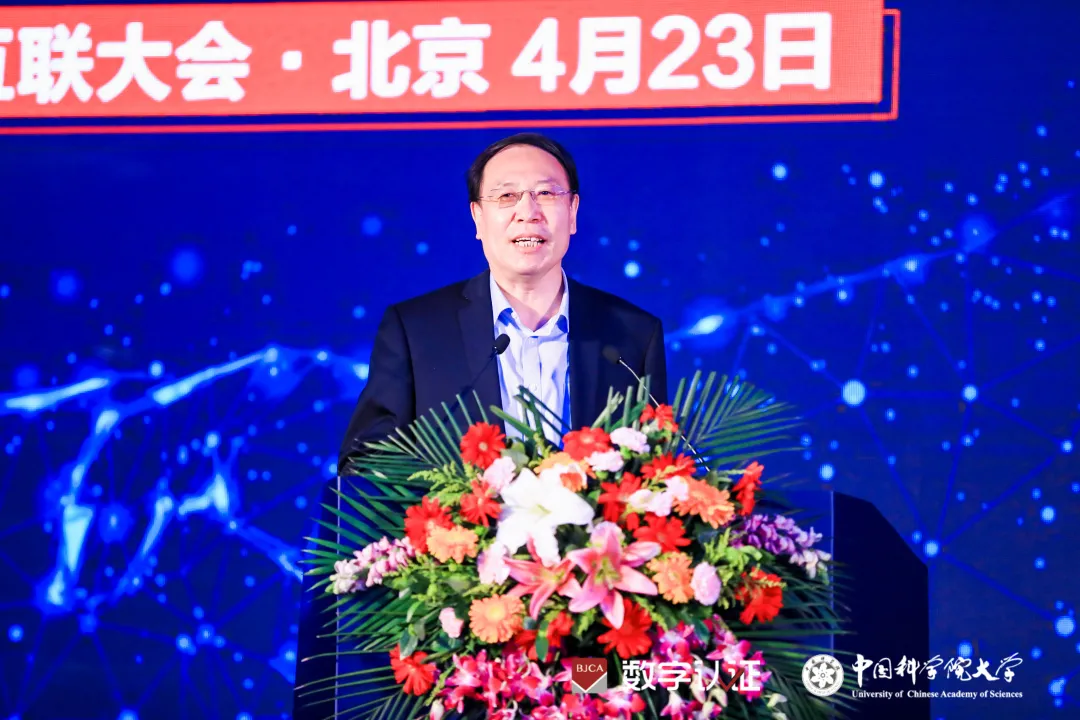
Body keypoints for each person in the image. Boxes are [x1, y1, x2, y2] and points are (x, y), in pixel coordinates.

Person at [293, 132, 667, 718]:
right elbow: (366, 464)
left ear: (573, 213)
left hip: (589, 625)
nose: (528, 211)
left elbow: (656, 469)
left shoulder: (630, 333)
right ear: (477, 218)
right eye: (507, 196)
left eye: (547, 194)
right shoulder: (418, 329)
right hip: (460, 623)